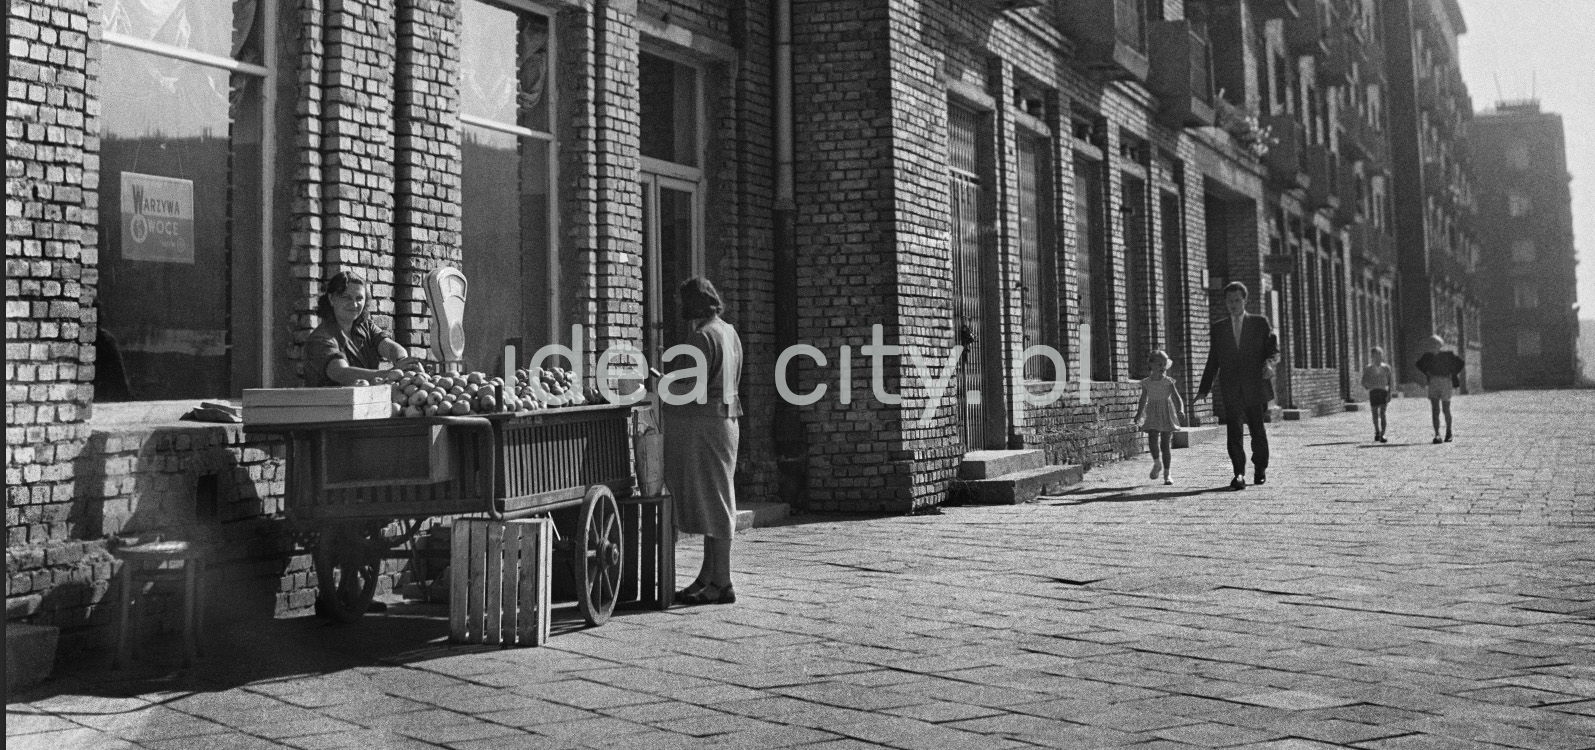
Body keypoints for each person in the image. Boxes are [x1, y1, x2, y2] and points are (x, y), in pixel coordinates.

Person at [661, 277, 743, 605]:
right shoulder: (729, 331)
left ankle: (722, 581)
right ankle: (707, 576)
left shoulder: (700, 337)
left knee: (716, 502)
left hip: (705, 425)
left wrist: (662, 386)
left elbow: (691, 388)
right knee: (715, 499)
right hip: (727, 421)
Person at [1196, 281, 1281, 491]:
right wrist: (1204, 389)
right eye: (1229, 301)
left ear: (1245, 300)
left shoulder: (1260, 323)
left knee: (1257, 430)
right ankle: (1239, 473)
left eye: (1236, 300)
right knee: (1234, 431)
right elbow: (1213, 360)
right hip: (1231, 387)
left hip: (1255, 386)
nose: (1232, 304)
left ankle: (1260, 467)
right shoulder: (1219, 328)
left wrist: (1269, 365)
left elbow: (1273, 351)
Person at [303, 270, 419, 387]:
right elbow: (342, 373)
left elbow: (390, 348)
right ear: (331, 299)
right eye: (346, 297)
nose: (354, 304)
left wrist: (403, 362)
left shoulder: (366, 327)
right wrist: (388, 374)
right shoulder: (319, 339)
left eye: (359, 298)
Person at [1134, 350, 1186, 486]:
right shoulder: (1147, 383)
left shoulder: (1168, 381)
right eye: (1159, 364)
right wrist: (1139, 414)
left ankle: (1167, 474)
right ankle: (1157, 463)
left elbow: (1176, 397)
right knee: (1152, 439)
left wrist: (1181, 409)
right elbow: (1143, 399)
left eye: (1164, 365)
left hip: (1166, 411)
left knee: (1165, 444)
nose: (1162, 368)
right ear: (1151, 365)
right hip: (1152, 412)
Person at [1415, 334, 1464, 444]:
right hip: (1433, 382)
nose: (1433, 347)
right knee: (1435, 409)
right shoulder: (1427, 357)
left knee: (1446, 409)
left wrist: (1453, 373)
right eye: (1431, 345)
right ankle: (1437, 434)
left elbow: (1461, 363)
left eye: (1435, 344)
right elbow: (1418, 364)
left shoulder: (1448, 355)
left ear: (1440, 345)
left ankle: (1449, 432)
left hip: (1445, 382)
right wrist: (1426, 372)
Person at [1360, 346, 1394, 443]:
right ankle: (1377, 431)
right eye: (1375, 355)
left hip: (1383, 391)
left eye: (1379, 355)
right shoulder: (1369, 368)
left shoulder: (1386, 368)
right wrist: (1368, 386)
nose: (1377, 357)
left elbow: (1390, 382)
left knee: (1382, 413)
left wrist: (1389, 393)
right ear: (1372, 357)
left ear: (1382, 356)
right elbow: (1363, 381)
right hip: (1374, 391)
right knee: (1374, 413)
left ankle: (1383, 434)